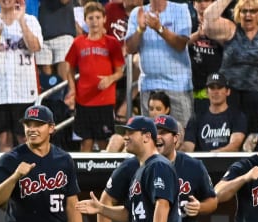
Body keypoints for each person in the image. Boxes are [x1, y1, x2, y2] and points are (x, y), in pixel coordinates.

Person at [203, 0, 258, 136]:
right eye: (244, 11)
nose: (248, 15)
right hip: (231, 93)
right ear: (238, 13)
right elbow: (208, 16)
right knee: (231, 132)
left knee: (255, 133)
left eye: (253, 11)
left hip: (257, 93)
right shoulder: (231, 29)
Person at [0, 0, 42, 152]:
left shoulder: (31, 20)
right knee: (3, 138)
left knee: (25, 138)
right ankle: (7, 174)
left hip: (24, 92)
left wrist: (21, 21)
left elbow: (35, 47)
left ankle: (29, 174)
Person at [64, 1, 124, 152]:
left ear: (104, 19)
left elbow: (120, 71)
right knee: (85, 142)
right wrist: (72, 89)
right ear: (85, 20)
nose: (94, 21)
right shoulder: (78, 43)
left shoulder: (112, 43)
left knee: (104, 142)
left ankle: (104, 174)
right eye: (91, 18)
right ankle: (83, 176)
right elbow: (69, 67)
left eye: (98, 17)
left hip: (105, 100)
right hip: (83, 101)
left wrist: (109, 79)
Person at [125, 0, 193, 128]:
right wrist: (140, 30)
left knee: (181, 136)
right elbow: (129, 48)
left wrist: (159, 28)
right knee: (151, 138)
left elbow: (181, 44)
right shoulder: (137, 13)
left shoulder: (181, 10)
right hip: (149, 87)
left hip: (177, 86)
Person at [181, 72, 246, 152]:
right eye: (212, 88)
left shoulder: (237, 116)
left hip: (228, 161)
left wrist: (215, 155)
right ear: (206, 92)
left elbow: (235, 145)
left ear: (228, 91)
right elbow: (188, 146)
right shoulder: (196, 118)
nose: (216, 92)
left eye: (219, 87)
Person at [189, 0, 223, 118]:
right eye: (198, 1)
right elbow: (179, 44)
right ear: (193, 4)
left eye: (206, 0)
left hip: (216, 87)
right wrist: (197, 35)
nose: (202, 4)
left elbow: (230, 46)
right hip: (192, 88)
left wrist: (211, 33)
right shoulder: (188, 24)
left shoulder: (223, 24)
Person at [36, 0, 75, 82]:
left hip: (63, 35)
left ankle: (67, 93)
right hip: (41, 36)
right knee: (46, 79)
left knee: (65, 76)